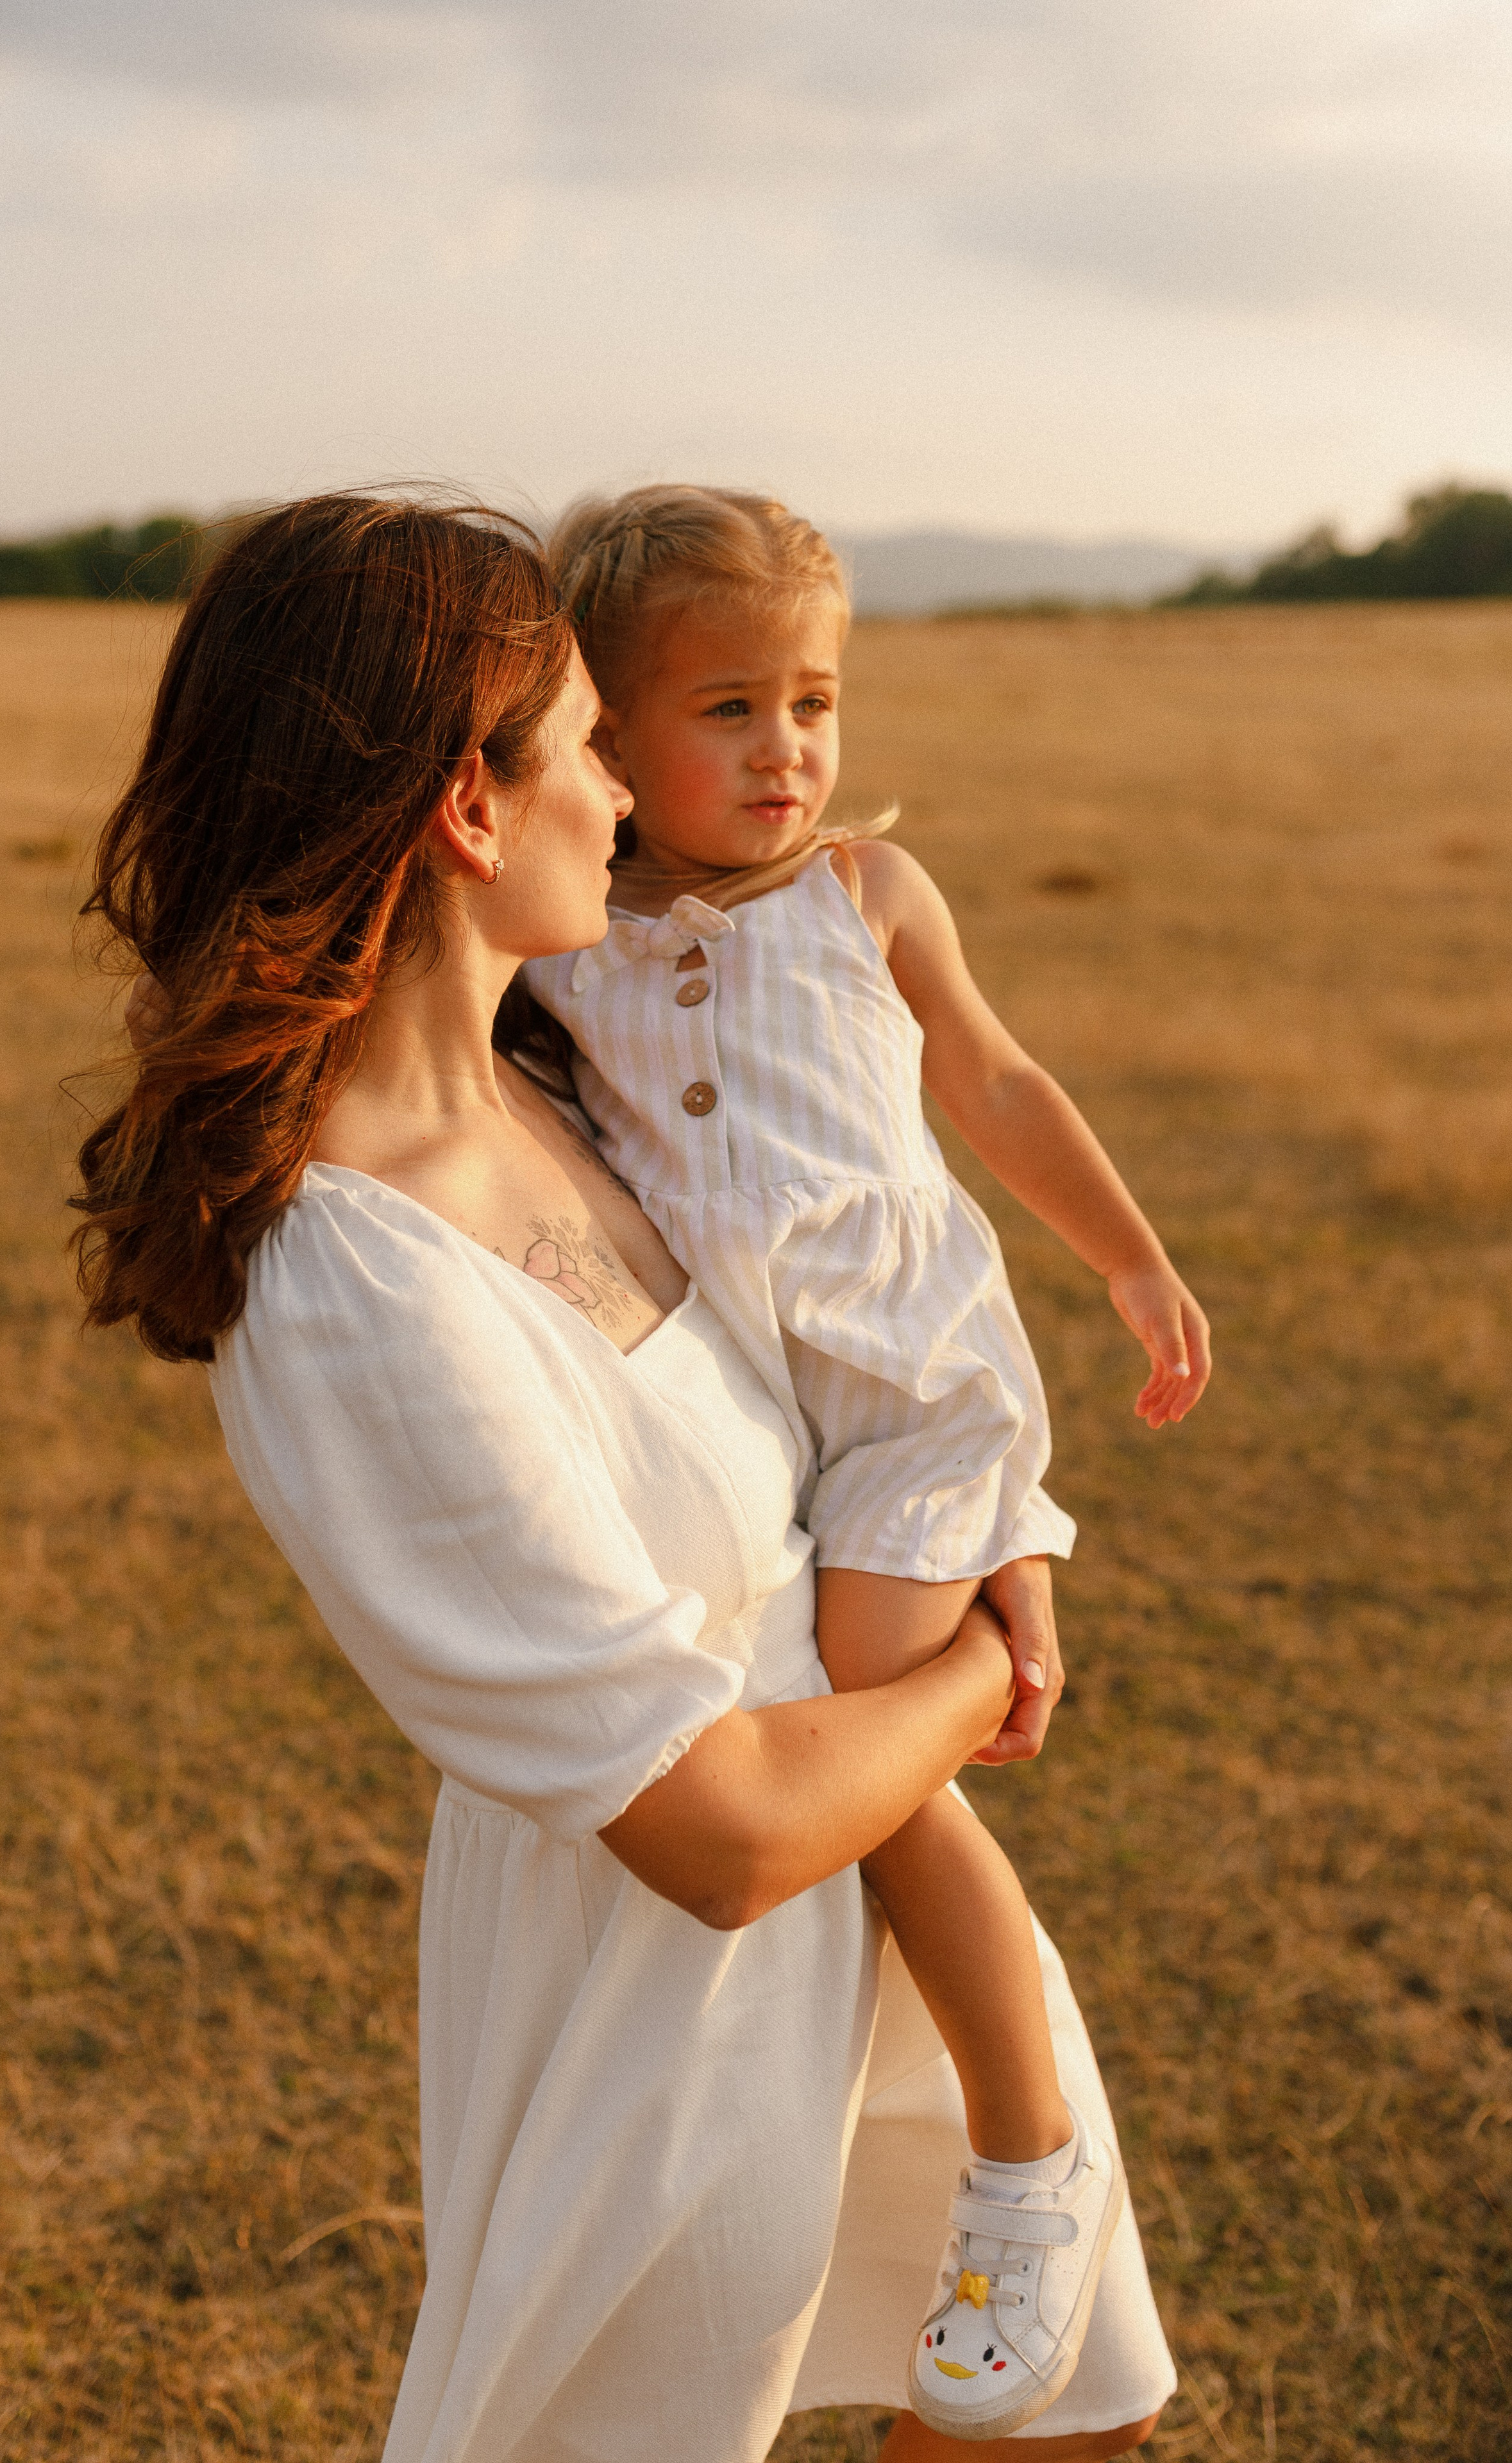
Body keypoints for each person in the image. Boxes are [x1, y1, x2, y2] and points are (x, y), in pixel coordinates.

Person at [76, 491, 1174, 2461]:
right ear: (470, 812)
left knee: (1052, 2407)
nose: (623, 796)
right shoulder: (348, 1277)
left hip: (875, 1876)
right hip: (673, 2012)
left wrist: (971, 1526)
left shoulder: (554, 1075)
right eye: (588, 741)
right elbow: (715, 1831)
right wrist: (970, 1685)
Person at [520, 484, 1211, 2438]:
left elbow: (997, 1079)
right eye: (727, 709)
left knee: (873, 1754)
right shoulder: (576, 943)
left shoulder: (869, 902)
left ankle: (1026, 2142)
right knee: (831, 1738)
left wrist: (1133, 1259)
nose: (789, 750)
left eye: (813, 701)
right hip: (757, 1425)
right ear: (611, 745)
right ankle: (902, 2145)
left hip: (912, 1407)